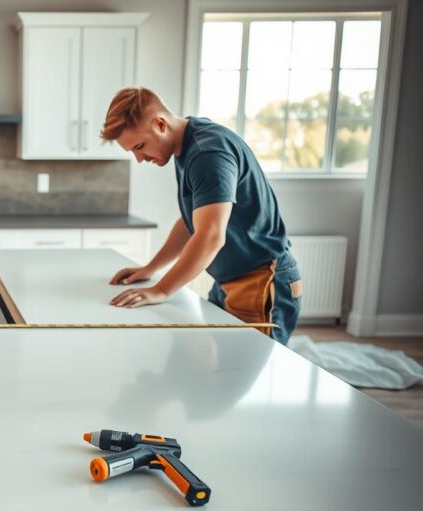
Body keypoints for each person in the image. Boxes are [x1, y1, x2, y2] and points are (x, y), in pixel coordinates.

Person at [100, 87, 302, 345]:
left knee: (245, 375)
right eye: (132, 152)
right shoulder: (189, 145)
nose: (139, 158)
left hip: (262, 282)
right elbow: (191, 225)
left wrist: (161, 290)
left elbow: (210, 236)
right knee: (221, 373)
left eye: (140, 146)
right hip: (232, 281)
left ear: (160, 124)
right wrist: (151, 268)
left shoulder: (207, 153)